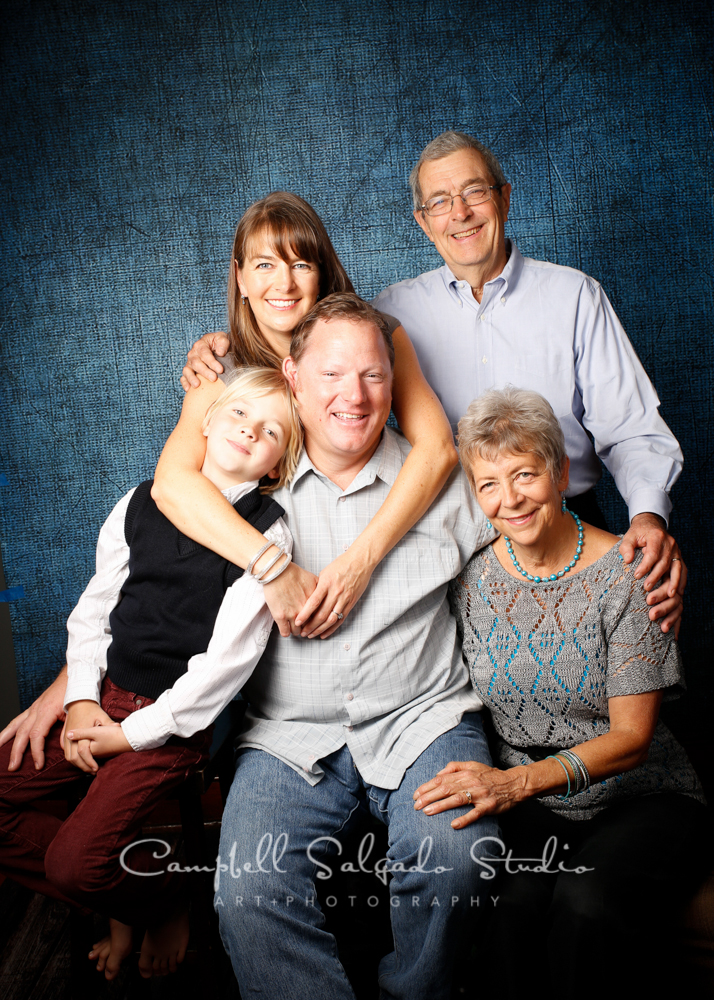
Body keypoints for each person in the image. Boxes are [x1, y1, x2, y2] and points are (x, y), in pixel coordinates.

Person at [184, 140, 684, 633]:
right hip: (429, 521)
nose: (460, 214)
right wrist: (227, 345)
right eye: (439, 202)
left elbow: (630, 428)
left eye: (474, 192)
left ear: (505, 198)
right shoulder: (393, 311)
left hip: (556, 516)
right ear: (422, 221)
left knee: (627, 642)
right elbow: (324, 342)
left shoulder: (573, 296)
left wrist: (647, 519)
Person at [213, 293, 497, 1000]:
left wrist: (625, 563)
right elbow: (152, 589)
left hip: (424, 721)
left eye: (373, 375)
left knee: (458, 863)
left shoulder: (440, 481)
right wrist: (77, 686)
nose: (356, 395)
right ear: (292, 378)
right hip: (287, 737)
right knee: (246, 893)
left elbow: (534, 556)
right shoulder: (247, 486)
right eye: (334, 374)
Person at [0, 368, 301, 981]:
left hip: (172, 726)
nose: (250, 430)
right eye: (239, 413)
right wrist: (82, 700)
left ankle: (159, 904)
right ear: (207, 422)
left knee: (72, 866)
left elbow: (222, 670)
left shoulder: (270, 535)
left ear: (276, 464)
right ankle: (122, 890)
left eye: (270, 430)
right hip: (102, 695)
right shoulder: (140, 501)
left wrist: (130, 735)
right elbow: (94, 609)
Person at [413, 386, 707, 999]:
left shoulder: (628, 575)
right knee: (505, 914)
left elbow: (631, 740)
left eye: (525, 474)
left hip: (641, 796)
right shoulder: (469, 581)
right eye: (488, 483)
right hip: (534, 809)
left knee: (585, 904)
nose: (510, 499)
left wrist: (516, 782)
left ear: (562, 472)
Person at [156, 190, 457, 643]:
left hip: (373, 544)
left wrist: (361, 561)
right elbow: (172, 485)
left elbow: (437, 450)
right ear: (239, 278)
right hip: (254, 594)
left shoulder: (376, 337)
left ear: (322, 273)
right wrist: (269, 566)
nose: (285, 285)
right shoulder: (221, 371)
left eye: (300, 265)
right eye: (264, 266)